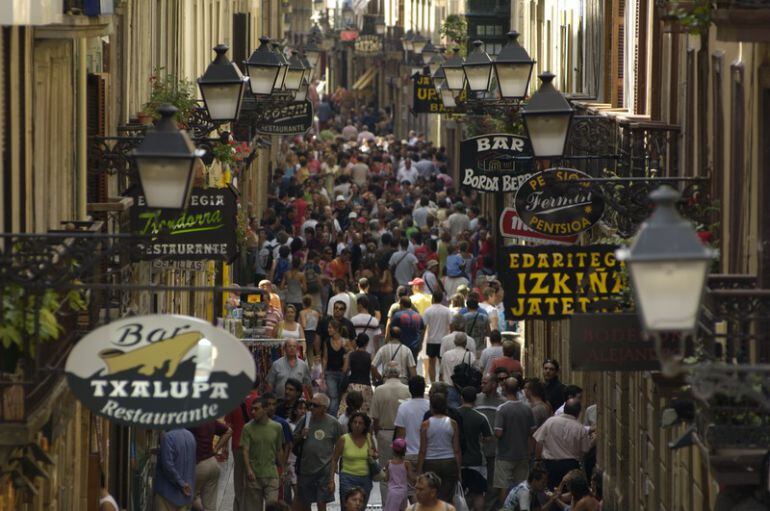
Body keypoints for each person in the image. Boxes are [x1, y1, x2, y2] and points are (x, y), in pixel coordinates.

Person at [294, 394, 343, 511]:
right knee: (305, 503)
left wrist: (335, 464)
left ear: (324, 408)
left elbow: (340, 444)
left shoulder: (333, 423)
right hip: (306, 469)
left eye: (315, 405)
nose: (311, 407)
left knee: (322, 502)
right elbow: (293, 440)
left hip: (324, 470)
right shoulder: (304, 419)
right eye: (310, 404)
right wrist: (301, 435)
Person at [533, 399, 594, 491]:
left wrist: (537, 460)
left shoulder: (550, 422)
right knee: (569, 491)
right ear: (578, 412)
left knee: (551, 490)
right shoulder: (579, 428)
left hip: (550, 464)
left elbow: (539, 441)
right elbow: (585, 449)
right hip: (570, 465)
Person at [494, 378, 535, 504]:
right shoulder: (527, 409)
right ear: (518, 390)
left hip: (505, 455)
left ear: (504, 389)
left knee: (504, 487)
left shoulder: (502, 409)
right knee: (523, 487)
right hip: (522, 454)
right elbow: (532, 431)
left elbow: (498, 433)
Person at [417, 392, 462, 503]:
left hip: (431, 462)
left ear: (431, 406)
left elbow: (422, 450)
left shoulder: (425, 425)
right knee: (446, 496)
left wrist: (419, 469)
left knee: (431, 495)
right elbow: (456, 449)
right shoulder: (453, 423)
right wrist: (459, 469)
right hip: (449, 461)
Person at [242, 397, 285, 511]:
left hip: (271, 474)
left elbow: (279, 449)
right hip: (254, 476)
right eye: (252, 409)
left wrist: (282, 469)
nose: (253, 412)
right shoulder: (247, 428)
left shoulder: (277, 427)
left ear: (265, 409)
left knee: (272, 508)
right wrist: (248, 469)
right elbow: (245, 450)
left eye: (256, 409)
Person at [457, 387, 493, 511]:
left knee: (459, 492)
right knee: (479, 493)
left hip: (458, 461)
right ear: (475, 400)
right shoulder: (481, 417)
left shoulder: (454, 415)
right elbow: (488, 437)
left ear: (461, 398)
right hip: (477, 461)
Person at [330, 412, 377, 505]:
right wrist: (331, 480)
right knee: (347, 506)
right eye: (354, 422)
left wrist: (373, 455)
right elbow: (334, 459)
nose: (357, 425)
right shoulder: (343, 439)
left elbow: (375, 454)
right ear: (350, 424)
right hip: (348, 478)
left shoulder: (368, 438)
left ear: (365, 426)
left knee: (360, 507)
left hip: (365, 479)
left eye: (360, 423)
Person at [474, 373, 505, 511]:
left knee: (493, 483)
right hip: (477, 450)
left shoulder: (502, 402)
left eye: (485, 382)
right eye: (482, 382)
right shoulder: (476, 399)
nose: (482, 385)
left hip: (495, 449)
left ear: (494, 384)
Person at [188, 420, 231, 511]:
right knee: (210, 505)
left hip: (198, 464)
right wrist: (216, 449)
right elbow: (229, 431)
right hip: (212, 463)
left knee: (188, 497)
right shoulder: (210, 421)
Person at [153, 428, 196, 511]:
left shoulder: (168, 437)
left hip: (167, 494)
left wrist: (181, 484)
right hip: (186, 495)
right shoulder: (191, 436)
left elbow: (168, 466)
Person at [394, 376, 430, 468]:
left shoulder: (403, 407)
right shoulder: (430, 406)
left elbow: (400, 435)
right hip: (428, 454)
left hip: (409, 454)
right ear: (423, 388)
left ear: (409, 389)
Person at [339, 334, 374, 416]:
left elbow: (344, 370)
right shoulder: (370, 356)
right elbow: (372, 370)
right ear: (366, 343)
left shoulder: (351, 355)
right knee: (365, 413)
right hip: (366, 385)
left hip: (352, 384)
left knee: (348, 410)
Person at [422, 290, 453, 384]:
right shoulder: (447, 310)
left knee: (431, 363)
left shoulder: (428, 310)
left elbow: (424, 326)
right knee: (442, 363)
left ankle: (433, 382)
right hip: (444, 340)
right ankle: (442, 381)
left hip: (431, 340)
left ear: (433, 298)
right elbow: (451, 325)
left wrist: (421, 340)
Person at [323, 318, 349, 416]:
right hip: (330, 373)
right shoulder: (327, 341)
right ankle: (332, 417)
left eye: (330, 328)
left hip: (342, 373)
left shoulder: (345, 341)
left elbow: (349, 354)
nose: (328, 329)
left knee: (340, 397)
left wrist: (345, 368)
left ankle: (338, 417)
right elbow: (325, 358)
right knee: (333, 396)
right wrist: (323, 372)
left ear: (336, 329)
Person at [384, 438, 414, 511]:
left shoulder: (389, 463)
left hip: (392, 493)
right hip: (403, 492)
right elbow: (411, 478)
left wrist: (384, 471)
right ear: (404, 450)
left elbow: (386, 478)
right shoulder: (407, 463)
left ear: (393, 450)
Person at [390, 296, 424, 361]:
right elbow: (422, 330)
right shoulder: (418, 316)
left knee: (401, 366)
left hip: (401, 346)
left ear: (402, 304)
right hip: (415, 346)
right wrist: (420, 343)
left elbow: (392, 329)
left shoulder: (397, 315)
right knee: (413, 366)